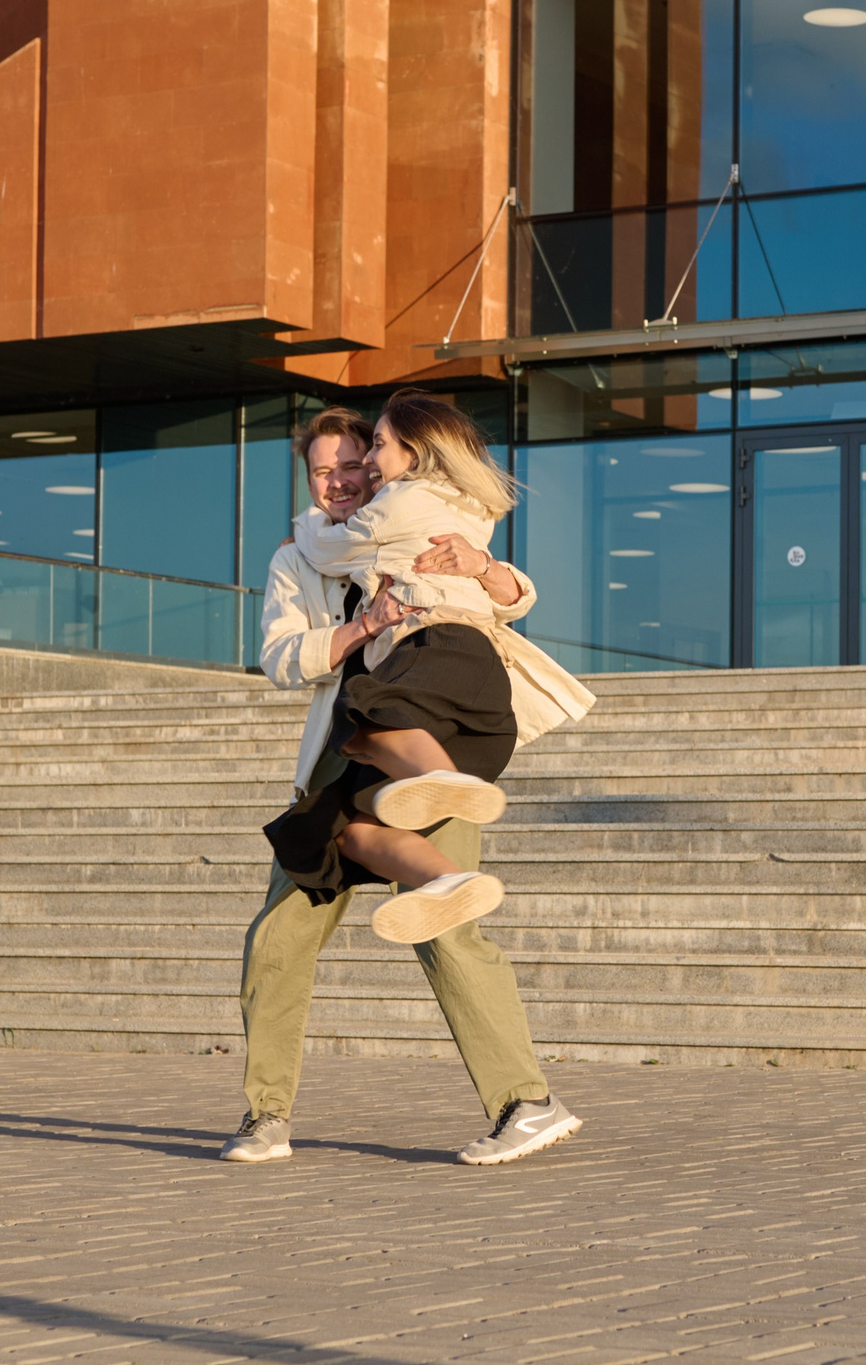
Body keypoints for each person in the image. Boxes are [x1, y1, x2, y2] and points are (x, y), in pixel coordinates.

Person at [223, 406, 585, 1168]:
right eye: (323, 470)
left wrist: (485, 570)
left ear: (380, 464)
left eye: (353, 462)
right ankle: (266, 1116)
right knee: (279, 934)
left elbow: (510, 587)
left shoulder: (410, 514)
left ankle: (526, 1100)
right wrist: (362, 627)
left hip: (430, 741)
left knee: (446, 920)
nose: (340, 479)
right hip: (340, 755)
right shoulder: (299, 557)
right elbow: (283, 657)